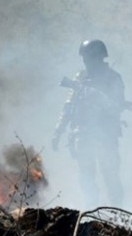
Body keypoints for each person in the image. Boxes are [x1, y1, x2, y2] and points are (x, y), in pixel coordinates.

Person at [52, 39, 126, 208]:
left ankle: (118, 210)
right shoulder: (81, 77)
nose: (86, 62)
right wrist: (58, 131)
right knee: (86, 174)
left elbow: (117, 107)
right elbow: (69, 106)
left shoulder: (113, 79)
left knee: (110, 173)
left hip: (106, 133)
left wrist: (98, 98)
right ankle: (91, 209)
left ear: (99, 58)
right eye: (85, 58)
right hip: (83, 133)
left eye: (89, 58)